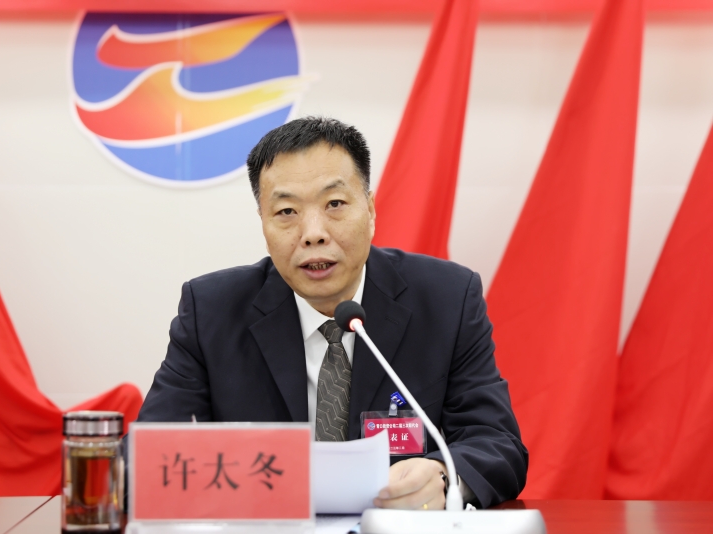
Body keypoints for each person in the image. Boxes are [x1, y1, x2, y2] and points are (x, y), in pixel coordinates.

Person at [136, 117, 527, 509]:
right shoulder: (211, 311)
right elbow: (142, 459)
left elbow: (498, 444)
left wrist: (442, 477)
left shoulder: (446, 299)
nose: (313, 233)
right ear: (263, 224)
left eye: (335, 204)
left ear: (370, 210)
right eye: (286, 211)